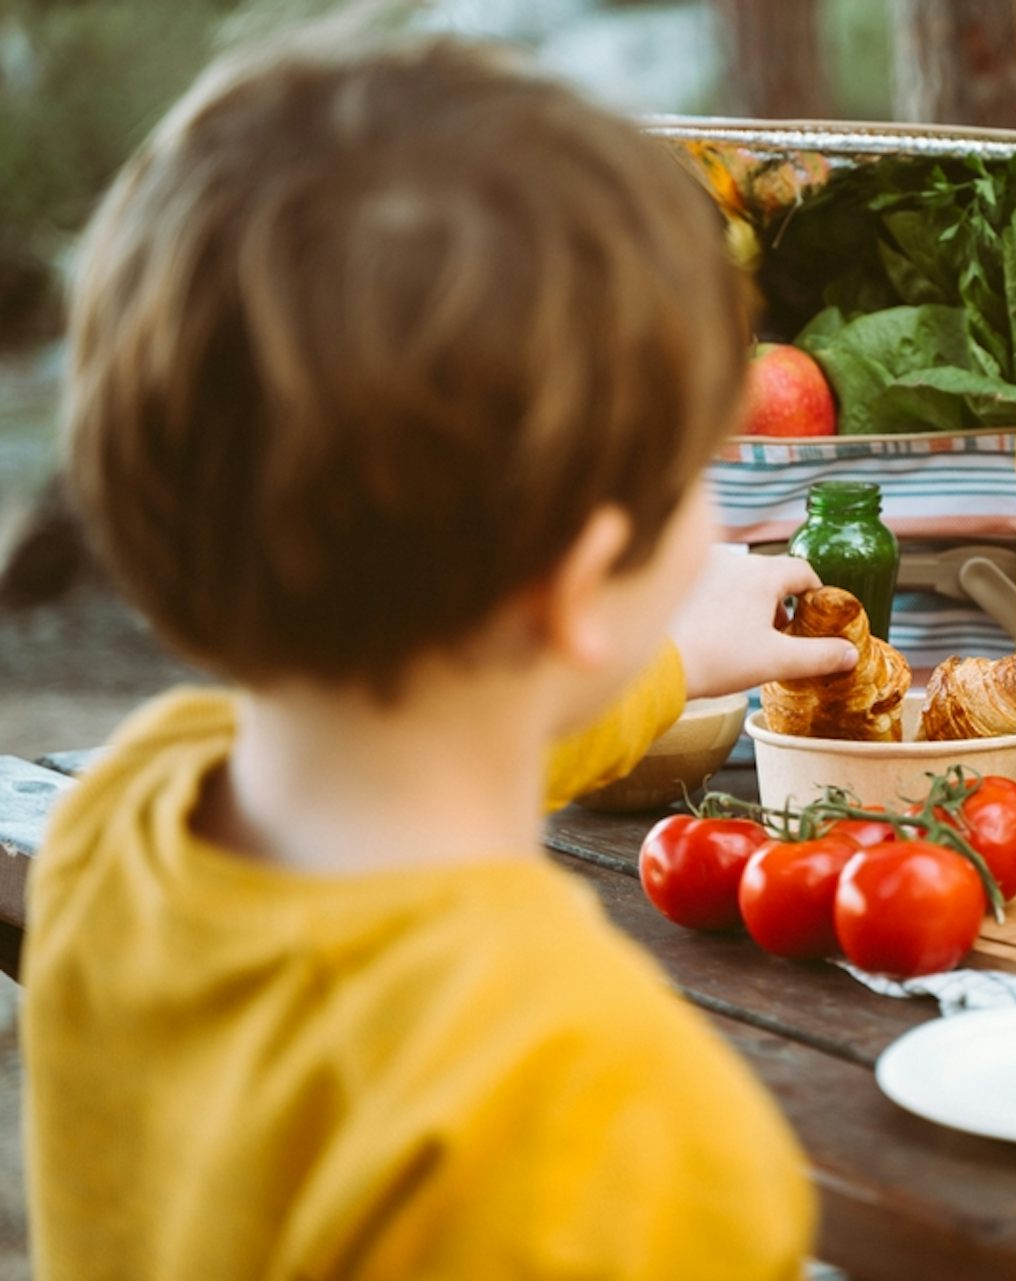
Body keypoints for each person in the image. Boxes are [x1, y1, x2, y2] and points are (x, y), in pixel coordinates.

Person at [24, 34, 858, 1280]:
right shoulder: (607, 1105)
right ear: (580, 583)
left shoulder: (128, 813)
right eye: (696, 473)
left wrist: (668, 657)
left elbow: (424, 736)